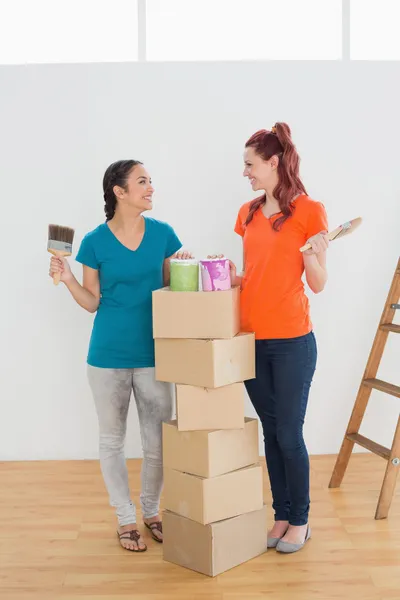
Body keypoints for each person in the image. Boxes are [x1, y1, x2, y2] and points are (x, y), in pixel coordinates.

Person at [49, 159, 191, 553]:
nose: (151, 188)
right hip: (107, 356)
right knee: (112, 441)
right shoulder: (95, 241)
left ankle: (152, 512)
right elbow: (93, 303)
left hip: (154, 354)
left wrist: (182, 267)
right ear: (119, 191)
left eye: (150, 181)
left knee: (158, 442)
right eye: (142, 182)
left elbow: (173, 290)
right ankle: (125, 519)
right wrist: (68, 279)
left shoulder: (163, 234)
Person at [230, 122, 329, 553]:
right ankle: (282, 514)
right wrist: (226, 276)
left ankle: (302, 520)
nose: (246, 173)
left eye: (250, 165)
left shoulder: (310, 211)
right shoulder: (248, 213)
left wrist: (314, 256)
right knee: (271, 433)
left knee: (289, 433)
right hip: (250, 338)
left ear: (273, 163)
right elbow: (253, 273)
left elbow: (319, 284)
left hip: (291, 340)